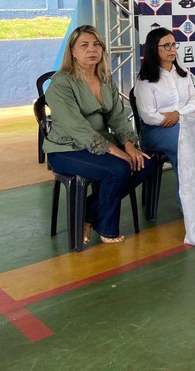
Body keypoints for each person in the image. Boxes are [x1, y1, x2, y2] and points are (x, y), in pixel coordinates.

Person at [44, 25, 155, 245]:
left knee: (145, 162)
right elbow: (76, 127)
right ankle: (107, 227)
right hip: (66, 149)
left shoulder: (105, 79)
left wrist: (129, 145)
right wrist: (114, 151)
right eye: (84, 45)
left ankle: (88, 212)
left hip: (101, 143)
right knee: (119, 168)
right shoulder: (61, 83)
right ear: (73, 51)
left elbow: (118, 117)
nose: (91, 50)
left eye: (96, 45)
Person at [134, 27, 195, 206]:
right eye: (166, 46)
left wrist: (177, 114)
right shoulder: (145, 79)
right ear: (153, 49)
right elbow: (148, 115)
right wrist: (170, 119)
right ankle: (188, 205)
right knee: (185, 147)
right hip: (155, 131)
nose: (172, 49)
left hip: (182, 125)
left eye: (174, 45)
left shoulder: (183, 73)